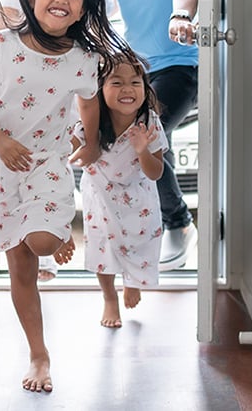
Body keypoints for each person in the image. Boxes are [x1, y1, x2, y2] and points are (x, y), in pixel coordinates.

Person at [0, 0, 137, 392]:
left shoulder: (86, 58)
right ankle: (39, 354)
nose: (61, 0)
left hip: (46, 164)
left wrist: (89, 142)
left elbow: (89, 104)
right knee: (21, 269)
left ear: (82, 9)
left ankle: (51, 225)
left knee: (43, 242)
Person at [0, 0, 115, 280]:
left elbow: (100, 32)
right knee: (19, 176)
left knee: (62, 162)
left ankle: (59, 232)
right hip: (20, 96)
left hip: (68, 89)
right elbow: (6, 27)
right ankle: (42, 246)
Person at [108, 0, 199, 270]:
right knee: (120, 130)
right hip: (135, 68)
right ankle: (128, 228)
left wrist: (182, 15)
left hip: (179, 65)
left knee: (146, 129)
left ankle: (179, 224)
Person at [72, 54, 168, 328]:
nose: (128, 89)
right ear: (99, 89)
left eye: (135, 82)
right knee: (103, 246)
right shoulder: (91, 120)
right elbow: (71, 147)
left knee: (141, 241)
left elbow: (156, 172)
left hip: (139, 197)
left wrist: (142, 150)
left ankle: (133, 280)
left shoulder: (149, 121)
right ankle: (109, 297)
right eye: (117, 82)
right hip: (100, 195)